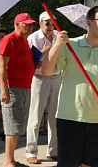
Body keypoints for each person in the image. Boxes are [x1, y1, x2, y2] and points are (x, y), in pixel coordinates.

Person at [44, 6, 98, 167]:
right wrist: (57, 45)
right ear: (89, 23)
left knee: (93, 164)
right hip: (69, 118)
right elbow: (46, 70)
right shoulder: (69, 45)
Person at [0, 13, 37, 167]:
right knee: (12, 125)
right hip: (12, 87)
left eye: (31, 24)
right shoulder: (9, 39)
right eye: (26, 24)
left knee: (18, 125)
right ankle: (8, 161)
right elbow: (1, 65)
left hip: (25, 87)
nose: (30, 27)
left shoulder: (24, 41)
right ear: (17, 24)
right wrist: (4, 90)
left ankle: (12, 160)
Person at [25, 11, 61, 164]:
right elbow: (28, 62)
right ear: (40, 24)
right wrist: (42, 53)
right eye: (47, 23)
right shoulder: (33, 38)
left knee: (55, 118)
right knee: (35, 117)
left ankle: (53, 151)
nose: (50, 26)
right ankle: (31, 152)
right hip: (39, 78)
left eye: (52, 22)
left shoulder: (59, 35)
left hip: (57, 77)